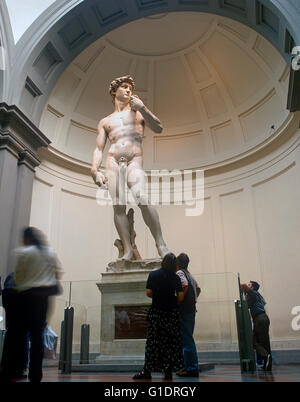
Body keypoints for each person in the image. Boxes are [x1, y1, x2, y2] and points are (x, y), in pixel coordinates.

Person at [91, 75, 169, 260]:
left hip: (134, 160)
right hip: (113, 161)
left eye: (130, 88)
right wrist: (94, 169)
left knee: (141, 196)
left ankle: (161, 244)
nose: (128, 90)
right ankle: (127, 249)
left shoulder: (138, 113)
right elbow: (98, 148)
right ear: (114, 91)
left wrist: (142, 107)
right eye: (124, 87)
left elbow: (158, 128)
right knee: (118, 206)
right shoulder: (105, 121)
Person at [0, 227, 62, 382]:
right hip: (43, 299)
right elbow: (57, 273)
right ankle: (36, 374)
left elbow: (19, 277)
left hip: (25, 298)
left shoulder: (22, 252)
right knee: (37, 338)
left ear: (27, 239)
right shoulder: (49, 252)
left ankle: (13, 369)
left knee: (20, 336)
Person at [133, 253, 184, 380]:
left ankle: (147, 371)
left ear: (163, 262)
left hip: (157, 313)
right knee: (170, 343)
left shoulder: (153, 274)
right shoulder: (175, 278)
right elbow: (181, 297)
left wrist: (158, 296)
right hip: (171, 314)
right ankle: (167, 371)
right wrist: (172, 300)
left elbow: (148, 292)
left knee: (152, 343)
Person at [175, 253, 201, 377]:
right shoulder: (189, 274)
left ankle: (191, 368)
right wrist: (193, 300)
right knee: (188, 338)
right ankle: (189, 366)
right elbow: (198, 288)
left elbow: (184, 285)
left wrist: (180, 300)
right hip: (191, 309)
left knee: (187, 340)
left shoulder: (180, 273)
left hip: (184, 310)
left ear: (178, 263)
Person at [241, 281, 272, 371]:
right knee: (264, 342)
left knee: (254, 342)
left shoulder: (254, 293)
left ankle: (266, 356)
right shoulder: (251, 296)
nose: (247, 285)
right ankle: (267, 364)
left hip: (260, 318)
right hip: (261, 319)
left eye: (249, 284)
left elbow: (242, 285)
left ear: (252, 288)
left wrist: (243, 286)